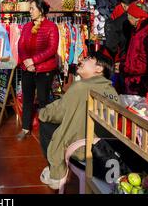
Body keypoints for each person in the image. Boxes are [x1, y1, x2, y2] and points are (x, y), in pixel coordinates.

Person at [38, 52, 118, 190]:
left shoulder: (80, 87)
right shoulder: (112, 92)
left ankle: (56, 172)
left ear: (99, 69)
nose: (82, 60)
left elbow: (57, 112)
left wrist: (42, 112)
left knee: (45, 124)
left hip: (82, 148)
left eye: (88, 59)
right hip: (105, 150)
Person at [17, 0, 59, 141]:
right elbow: (20, 45)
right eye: (30, 8)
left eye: (32, 8)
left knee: (43, 100)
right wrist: (27, 62)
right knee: (27, 99)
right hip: (27, 68)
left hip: (44, 70)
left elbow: (52, 49)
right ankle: (25, 128)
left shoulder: (51, 27)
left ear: (41, 11)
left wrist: (34, 60)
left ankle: (45, 131)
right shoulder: (27, 27)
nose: (30, 11)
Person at [103, 0, 135, 93]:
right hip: (131, 59)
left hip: (121, 58)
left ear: (123, 5)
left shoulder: (119, 16)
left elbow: (111, 43)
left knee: (119, 88)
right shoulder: (143, 15)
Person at [123, 0, 148, 96]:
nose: (127, 18)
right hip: (133, 78)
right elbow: (132, 52)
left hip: (140, 81)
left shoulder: (146, 31)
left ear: (136, 16)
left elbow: (146, 58)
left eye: (129, 15)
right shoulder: (137, 29)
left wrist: (126, 68)